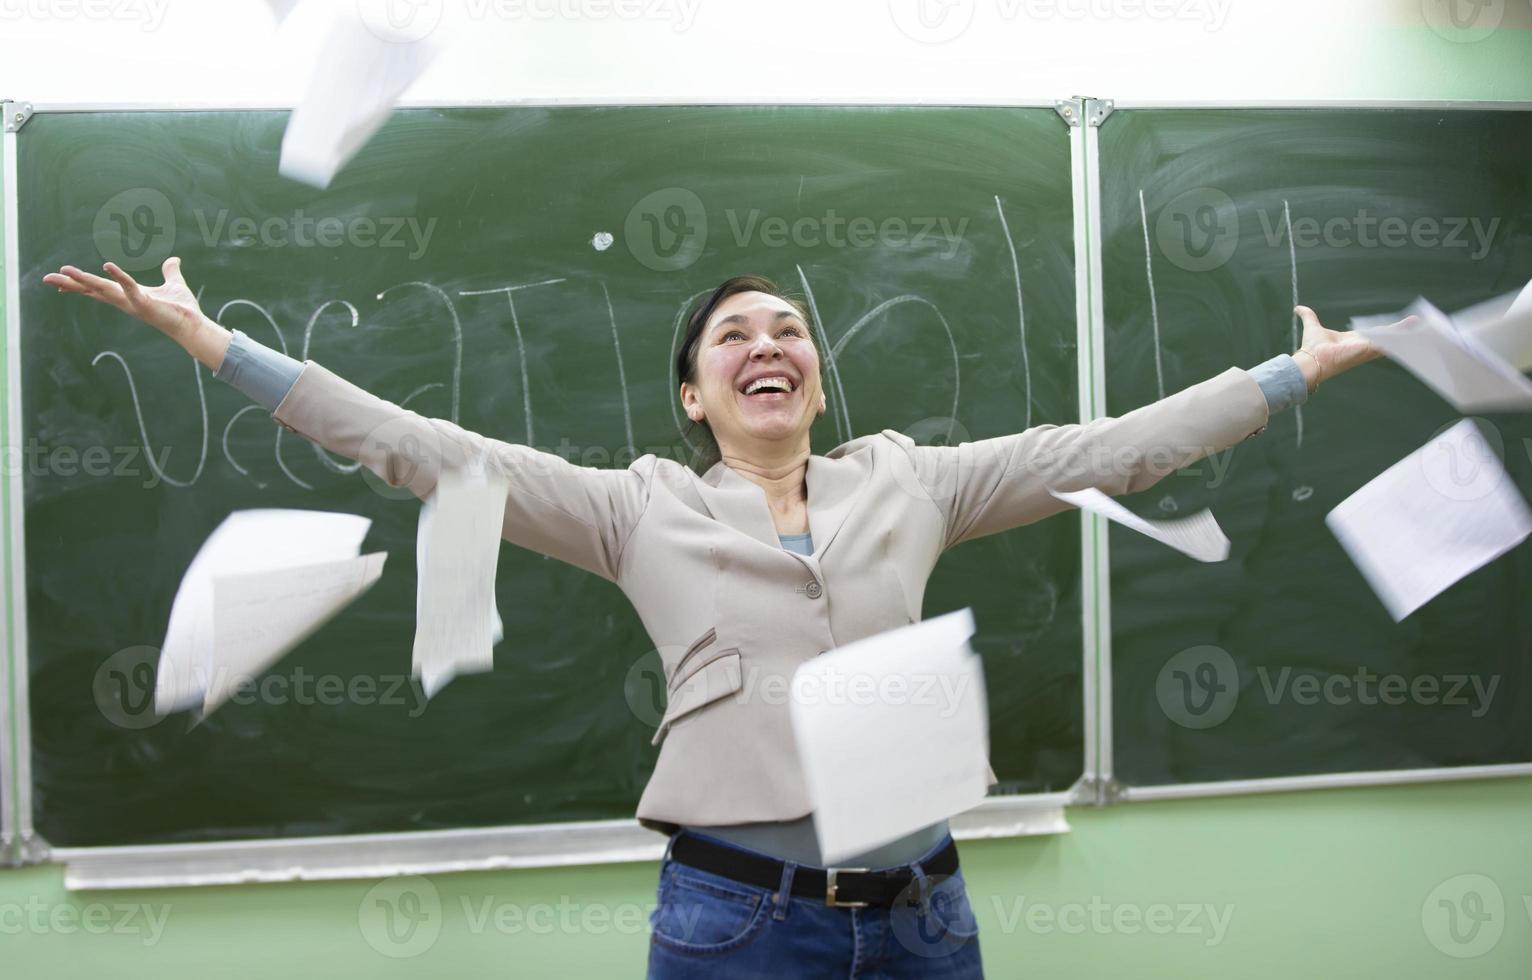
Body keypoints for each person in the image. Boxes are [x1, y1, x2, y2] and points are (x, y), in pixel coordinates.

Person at [44, 257, 1380, 977]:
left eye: (790, 330)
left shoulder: (913, 478)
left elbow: (1118, 450)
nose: (768, 346)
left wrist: (1291, 371)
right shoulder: (635, 508)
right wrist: (221, 346)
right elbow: (411, 445)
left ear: (813, 375)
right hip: (740, 922)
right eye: (735, 333)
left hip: (929, 918)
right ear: (695, 393)